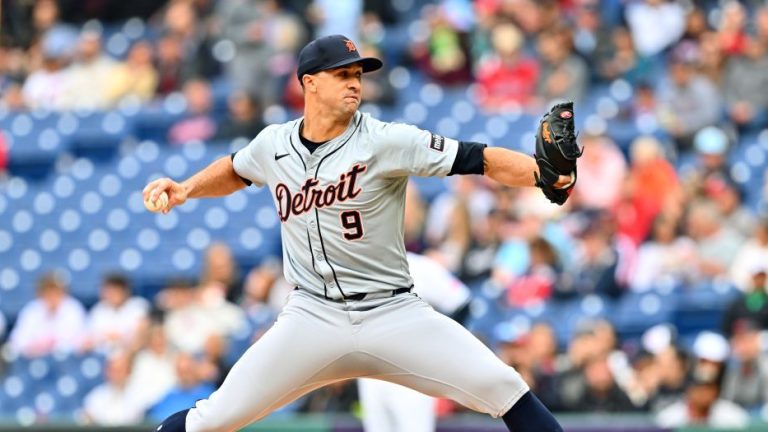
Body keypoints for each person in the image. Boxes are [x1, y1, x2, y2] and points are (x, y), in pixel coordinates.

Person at [145, 34, 574, 432]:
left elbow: (477, 158)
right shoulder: (273, 143)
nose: (355, 83)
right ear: (309, 84)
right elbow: (237, 169)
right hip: (311, 316)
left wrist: (542, 175)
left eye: (357, 75)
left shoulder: (385, 140)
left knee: (505, 387)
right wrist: (186, 189)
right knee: (212, 418)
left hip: (392, 312)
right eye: (343, 74)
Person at [358, 252, 471, 432]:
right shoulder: (356, 268)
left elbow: (462, 302)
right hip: (370, 372)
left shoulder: (419, 266)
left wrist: (440, 351)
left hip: (411, 371)